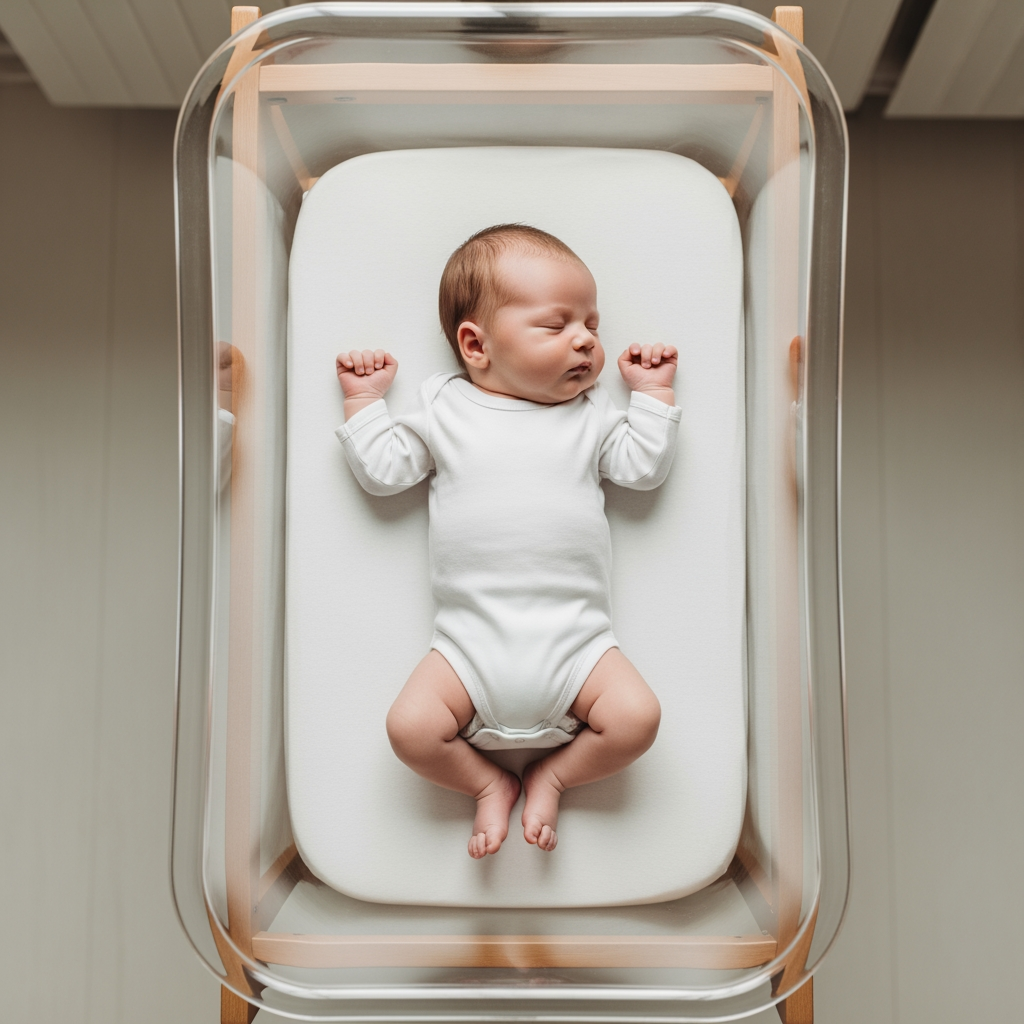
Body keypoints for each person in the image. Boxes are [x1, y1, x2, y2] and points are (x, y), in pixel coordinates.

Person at [335, 224, 680, 859]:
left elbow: (641, 468)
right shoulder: (446, 408)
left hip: (578, 643)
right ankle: (486, 785)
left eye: (592, 326)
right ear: (476, 344)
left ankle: (555, 774)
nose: (585, 340)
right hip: (469, 647)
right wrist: (364, 402)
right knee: (410, 730)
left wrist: (652, 397)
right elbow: (385, 471)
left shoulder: (593, 413)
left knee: (638, 719)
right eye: (557, 326)